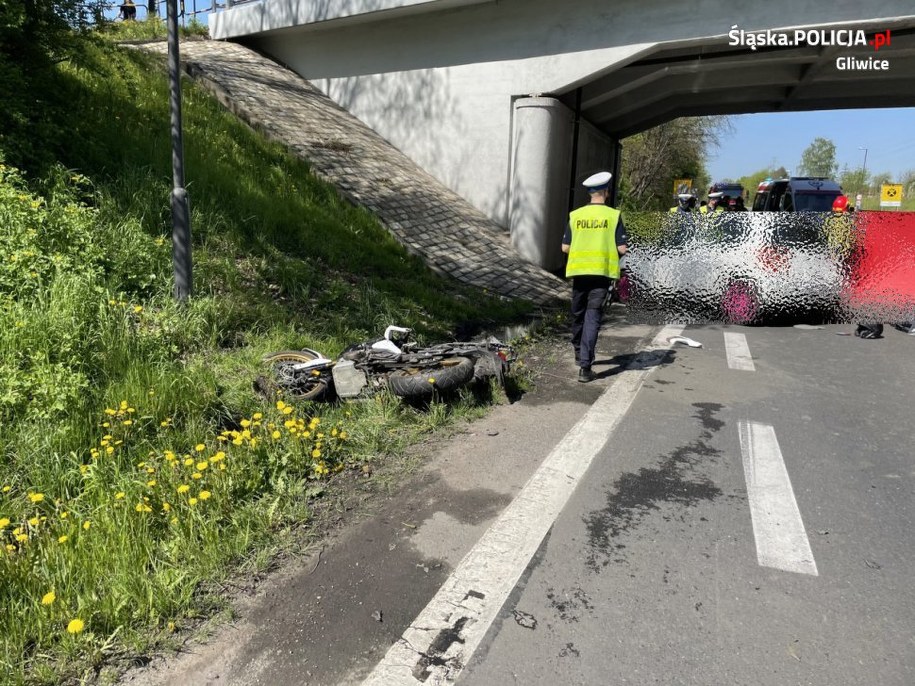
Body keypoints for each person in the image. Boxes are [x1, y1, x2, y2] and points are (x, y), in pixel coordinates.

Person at [562, 171, 628, 383]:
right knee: (592, 317)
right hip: (601, 274)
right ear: (606, 192)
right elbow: (622, 248)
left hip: (579, 274)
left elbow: (565, 247)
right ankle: (585, 367)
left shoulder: (576, 215)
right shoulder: (613, 216)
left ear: (590, 193)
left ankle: (578, 350)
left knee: (578, 314)